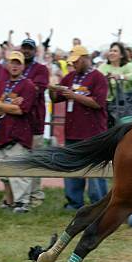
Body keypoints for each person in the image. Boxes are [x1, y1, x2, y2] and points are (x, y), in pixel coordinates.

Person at [49, 45, 108, 209]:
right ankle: (74, 203)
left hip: (93, 132)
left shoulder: (98, 77)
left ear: (85, 59)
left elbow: (98, 103)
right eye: (72, 61)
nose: (73, 64)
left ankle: (100, 203)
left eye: (76, 61)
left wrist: (74, 96)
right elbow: (56, 99)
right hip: (72, 132)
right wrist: (52, 90)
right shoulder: (70, 77)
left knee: (95, 170)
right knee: (71, 169)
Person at [0, 51, 36, 213]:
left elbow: (22, 110)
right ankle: (9, 201)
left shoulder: (28, 85)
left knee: (19, 170)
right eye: (12, 63)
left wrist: (1, 104)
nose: (15, 66)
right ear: (8, 65)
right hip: (3, 132)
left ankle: (22, 203)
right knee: (3, 171)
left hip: (20, 133)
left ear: (23, 66)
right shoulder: (3, 84)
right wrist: (7, 106)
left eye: (18, 63)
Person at [20, 38, 49, 207]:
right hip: (16, 123)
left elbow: (37, 90)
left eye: (29, 48)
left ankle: (36, 196)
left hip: (34, 122)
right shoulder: (15, 65)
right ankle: (18, 196)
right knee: (17, 159)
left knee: (35, 159)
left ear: (34, 51)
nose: (26, 51)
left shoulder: (41, 69)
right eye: (24, 48)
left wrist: (20, 88)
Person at [98, 42, 132, 127]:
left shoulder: (128, 66)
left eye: (115, 51)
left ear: (122, 55)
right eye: (111, 50)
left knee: (124, 130)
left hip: (125, 105)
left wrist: (121, 77)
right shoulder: (103, 67)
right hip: (107, 105)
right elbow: (95, 78)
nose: (112, 53)